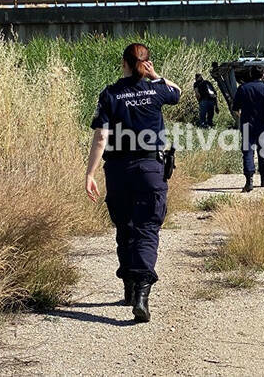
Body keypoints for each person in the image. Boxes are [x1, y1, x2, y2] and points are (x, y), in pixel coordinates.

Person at [85, 43, 181, 323]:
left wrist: (90, 173)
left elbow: (101, 138)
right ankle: (140, 293)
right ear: (146, 63)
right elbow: (177, 92)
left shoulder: (110, 94)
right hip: (150, 168)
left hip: (118, 170)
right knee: (147, 228)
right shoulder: (157, 89)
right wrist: (155, 76)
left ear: (123, 63)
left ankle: (129, 287)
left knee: (125, 226)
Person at [232, 68, 264, 193]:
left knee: (247, 152)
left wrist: (242, 117)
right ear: (263, 75)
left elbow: (235, 109)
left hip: (246, 126)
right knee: (263, 151)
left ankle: (249, 180)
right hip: (263, 126)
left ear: (250, 74)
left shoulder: (243, 89)